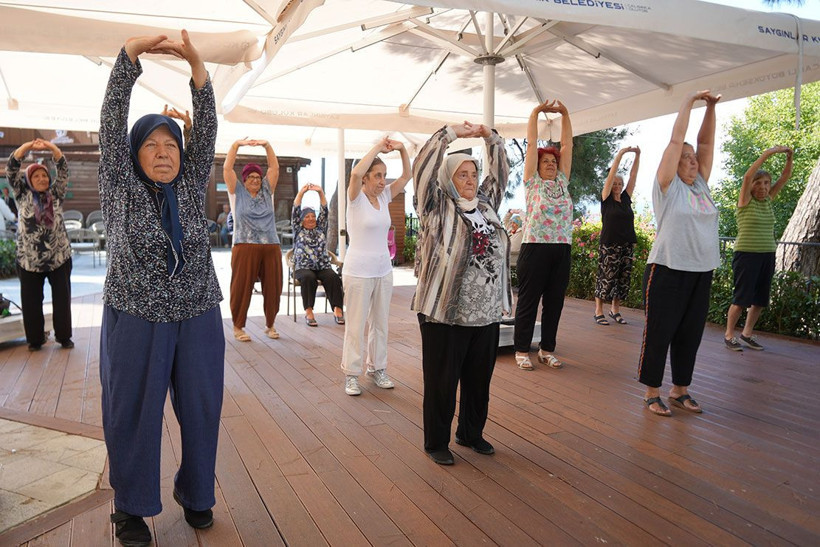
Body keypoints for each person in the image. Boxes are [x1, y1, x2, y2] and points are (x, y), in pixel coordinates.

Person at [98, 31, 225, 546]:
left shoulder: (192, 186)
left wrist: (196, 63)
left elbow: (209, 127)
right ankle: (130, 510)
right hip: (136, 314)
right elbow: (111, 121)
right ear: (134, 153)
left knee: (201, 405)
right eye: (150, 144)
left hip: (197, 312)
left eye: (171, 142)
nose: (163, 151)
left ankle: (197, 495)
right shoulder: (119, 184)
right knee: (132, 409)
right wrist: (129, 57)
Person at [412, 121, 510, 465]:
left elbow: (500, 173)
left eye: (473, 174)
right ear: (448, 180)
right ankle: (436, 442)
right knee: (441, 382)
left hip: (485, 313)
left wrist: (491, 139)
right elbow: (423, 165)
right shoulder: (435, 206)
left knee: (478, 381)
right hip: (445, 313)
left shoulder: (486, 205)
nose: (470, 181)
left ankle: (470, 433)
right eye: (462, 175)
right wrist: (449, 134)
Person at [639, 89, 721, 417]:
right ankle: (651, 391)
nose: (692, 160)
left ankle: (680, 390)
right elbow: (678, 141)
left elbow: (707, 145)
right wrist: (689, 102)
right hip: (668, 269)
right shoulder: (668, 187)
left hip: (701, 270)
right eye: (685, 157)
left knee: (690, 334)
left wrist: (711, 108)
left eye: (692, 158)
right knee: (660, 331)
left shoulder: (700, 184)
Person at [341, 137, 411, 396]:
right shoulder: (355, 198)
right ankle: (351, 373)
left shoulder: (385, 197)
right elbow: (356, 171)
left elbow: (407, 175)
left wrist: (402, 149)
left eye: (384, 175)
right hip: (358, 271)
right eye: (378, 176)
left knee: (380, 324)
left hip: (383, 270)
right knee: (356, 326)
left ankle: (377, 368)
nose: (383, 181)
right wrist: (378, 148)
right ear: (366, 179)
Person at [513, 99, 574, 371]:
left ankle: (546, 349)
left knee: (555, 303)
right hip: (535, 247)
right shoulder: (532, 181)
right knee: (528, 301)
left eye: (553, 161)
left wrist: (565, 114)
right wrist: (536, 113)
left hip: (561, 248)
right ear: (536, 165)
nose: (550, 164)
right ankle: (522, 349)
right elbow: (530, 143)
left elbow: (568, 146)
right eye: (545, 161)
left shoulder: (562, 181)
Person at [724, 146, 794, 351]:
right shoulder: (745, 201)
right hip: (746, 255)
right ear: (752, 186)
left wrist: (789, 157)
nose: (763, 187)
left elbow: (785, 177)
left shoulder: (769, 201)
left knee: (761, 299)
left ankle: (746, 334)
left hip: (767, 255)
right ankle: (729, 335)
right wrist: (769, 153)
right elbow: (746, 177)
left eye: (766, 183)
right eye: (759, 183)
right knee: (741, 298)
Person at [6, 139, 73, 351]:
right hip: (29, 261)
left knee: (62, 300)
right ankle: (35, 340)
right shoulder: (21, 194)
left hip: (58, 258)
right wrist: (25, 148)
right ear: (28, 180)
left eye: (44, 175)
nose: (42, 178)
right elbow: (11, 169)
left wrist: (52, 149)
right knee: (31, 303)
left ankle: (63, 337)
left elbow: (62, 169)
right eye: (37, 176)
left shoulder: (56, 194)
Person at [223, 138, 283, 342]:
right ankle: (238, 326)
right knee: (241, 287)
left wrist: (267, 145)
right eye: (251, 177)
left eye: (258, 176)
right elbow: (227, 168)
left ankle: (270, 325)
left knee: (273, 287)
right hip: (244, 245)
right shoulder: (237, 192)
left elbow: (274, 167)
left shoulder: (268, 191)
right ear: (245, 179)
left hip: (271, 245)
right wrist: (235, 145)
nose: (256, 180)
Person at [593, 146, 641, 325]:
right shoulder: (606, 200)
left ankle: (615, 310)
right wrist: (620, 154)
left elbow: (634, 177)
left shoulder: (626, 199)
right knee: (606, 277)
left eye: (620, 184)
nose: (618, 186)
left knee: (622, 279)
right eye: (615, 183)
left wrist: (637, 155)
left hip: (627, 243)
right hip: (610, 244)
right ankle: (598, 311)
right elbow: (612, 174)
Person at [291, 183, 345, 326]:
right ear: (301, 220)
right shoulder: (298, 229)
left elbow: (324, 210)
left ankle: (338, 309)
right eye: (307, 217)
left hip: (322, 266)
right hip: (302, 267)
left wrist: (320, 192)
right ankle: (309, 312)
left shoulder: (320, 227)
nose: (311, 219)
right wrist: (302, 192)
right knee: (309, 277)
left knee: (333, 277)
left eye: (313, 216)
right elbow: (295, 209)